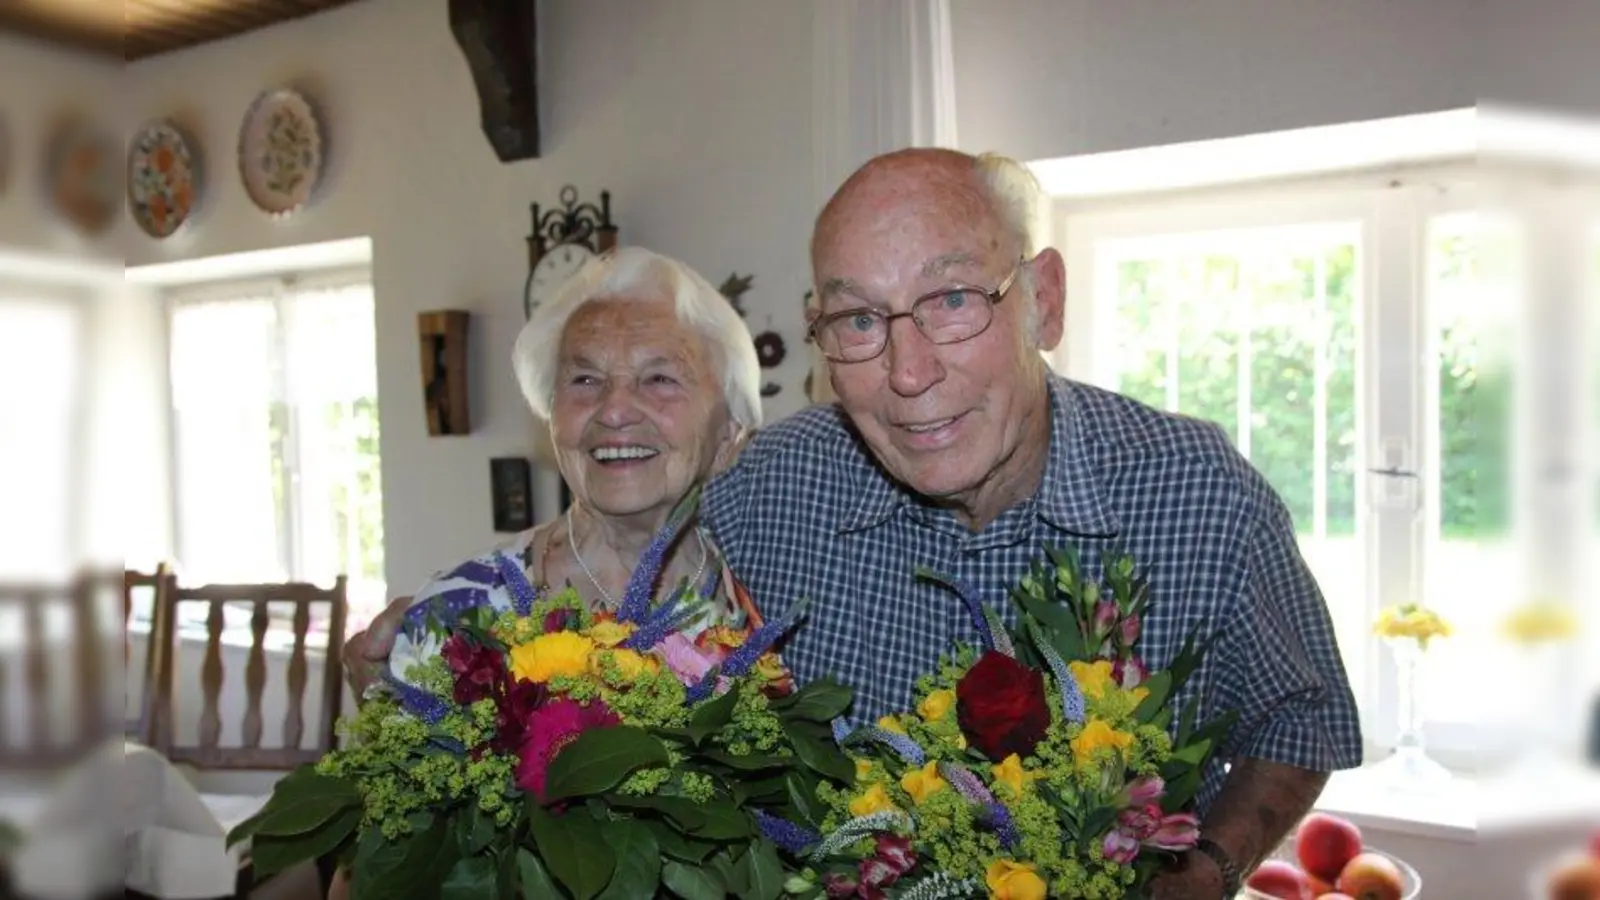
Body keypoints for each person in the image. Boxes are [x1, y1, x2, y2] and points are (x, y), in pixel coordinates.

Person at [348, 150, 1361, 898]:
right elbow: (619, 569)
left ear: (1042, 303)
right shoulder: (774, 486)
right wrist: (439, 648)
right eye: (859, 321)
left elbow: (1298, 716)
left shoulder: (1196, 495)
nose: (908, 374)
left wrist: (1209, 869)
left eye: (952, 299)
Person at [340, 243, 766, 706]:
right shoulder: (459, 616)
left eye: (660, 379)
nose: (616, 409)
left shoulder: (772, 601)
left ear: (728, 437)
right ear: (551, 422)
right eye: (584, 380)